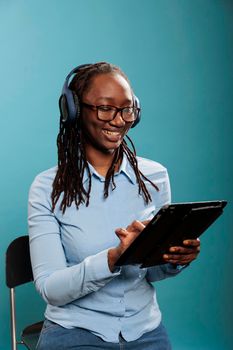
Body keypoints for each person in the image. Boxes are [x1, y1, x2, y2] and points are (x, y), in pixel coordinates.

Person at [28, 62, 200, 350]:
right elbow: (51, 289)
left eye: (127, 109)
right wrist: (113, 258)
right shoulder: (48, 188)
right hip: (76, 331)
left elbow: (151, 271)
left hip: (145, 330)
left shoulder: (154, 177)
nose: (119, 120)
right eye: (106, 108)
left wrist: (174, 258)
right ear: (73, 110)